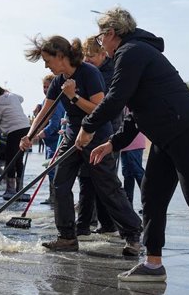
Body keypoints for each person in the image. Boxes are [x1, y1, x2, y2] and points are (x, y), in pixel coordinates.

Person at [78, 7, 189, 294]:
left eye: (101, 35)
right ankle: (153, 264)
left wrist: (88, 125)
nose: (100, 41)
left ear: (112, 33)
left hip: (185, 127)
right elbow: (133, 112)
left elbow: (116, 99)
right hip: (167, 133)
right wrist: (112, 143)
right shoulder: (132, 53)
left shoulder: (132, 52)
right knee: (152, 194)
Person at [21, 35, 142, 254]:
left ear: (61, 56)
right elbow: (45, 112)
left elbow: (100, 109)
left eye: (48, 60)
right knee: (60, 183)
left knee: (107, 186)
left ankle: (133, 234)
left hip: (96, 135)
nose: (46, 65)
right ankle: (67, 236)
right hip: (71, 136)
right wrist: (30, 134)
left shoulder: (89, 73)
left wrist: (73, 96)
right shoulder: (58, 80)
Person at [76, 35, 119, 236]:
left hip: (108, 129)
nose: (87, 60)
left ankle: (111, 223)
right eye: (85, 56)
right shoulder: (91, 70)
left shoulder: (111, 71)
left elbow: (104, 104)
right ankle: (87, 223)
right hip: (89, 127)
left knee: (104, 179)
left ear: (103, 54)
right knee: (87, 178)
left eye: (91, 56)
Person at [0, 86, 30, 200]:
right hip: (26, 127)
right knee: (19, 158)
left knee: (10, 159)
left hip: (14, 130)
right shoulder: (13, 96)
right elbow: (22, 98)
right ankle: (20, 190)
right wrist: (8, 93)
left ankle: (10, 190)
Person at [37, 75, 65, 205]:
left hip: (56, 140)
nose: (46, 89)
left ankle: (56, 198)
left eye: (48, 87)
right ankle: (52, 196)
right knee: (50, 169)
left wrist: (44, 133)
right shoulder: (46, 101)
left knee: (54, 170)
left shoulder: (58, 101)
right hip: (49, 142)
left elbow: (55, 123)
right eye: (44, 87)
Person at [120, 108, 146, 210]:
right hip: (123, 143)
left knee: (138, 173)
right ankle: (128, 205)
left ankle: (150, 202)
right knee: (127, 174)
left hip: (135, 142)